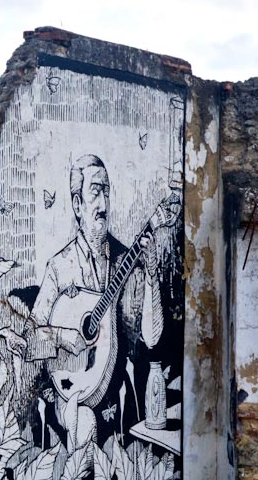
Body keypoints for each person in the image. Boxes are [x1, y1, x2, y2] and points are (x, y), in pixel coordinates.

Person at [23, 154, 164, 450]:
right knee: (83, 422)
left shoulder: (125, 260)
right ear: (77, 204)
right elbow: (30, 339)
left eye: (107, 192)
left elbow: (151, 338)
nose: (103, 204)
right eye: (95, 192)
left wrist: (151, 273)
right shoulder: (60, 267)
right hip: (68, 392)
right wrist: (64, 336)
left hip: (116, 391)